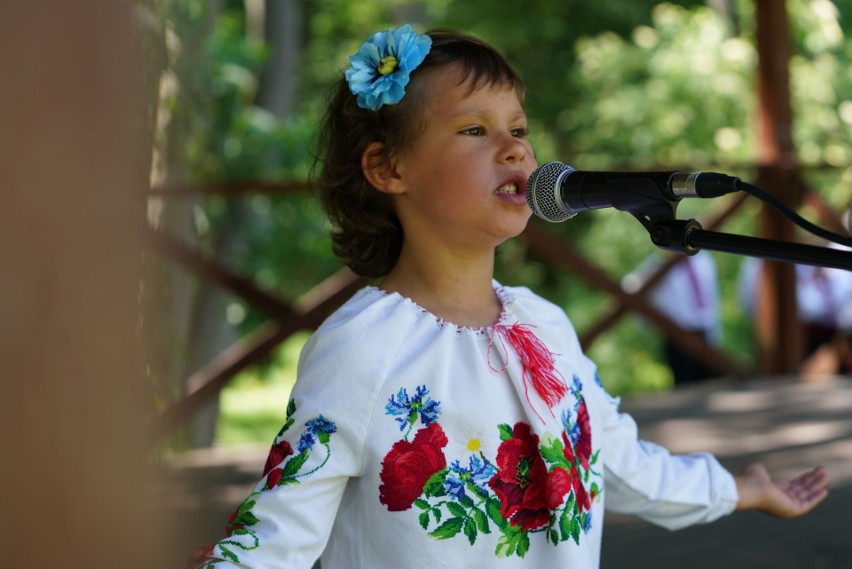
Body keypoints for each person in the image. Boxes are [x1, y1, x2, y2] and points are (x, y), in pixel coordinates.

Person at [188, 25, 829, 568]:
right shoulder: (365, 348)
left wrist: (737, 489)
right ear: (389, 169)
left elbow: (621, 461)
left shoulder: (543, 325)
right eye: (474, 130)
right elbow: (280, 536)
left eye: (518, 128)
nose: (515, 147)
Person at [622, 250, 723, 385]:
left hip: (706, 334)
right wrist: (652, 322)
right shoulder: (660, 263)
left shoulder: (703, 259)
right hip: (678, 338)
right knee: (685, 385)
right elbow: (631, 287)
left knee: (713, 383)